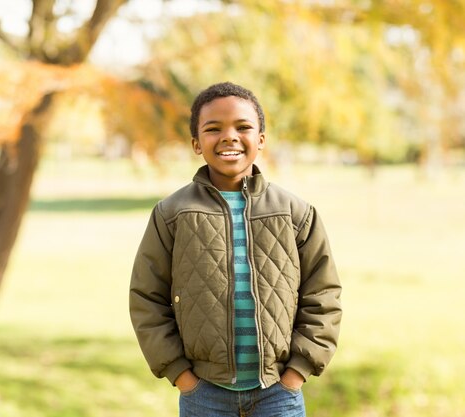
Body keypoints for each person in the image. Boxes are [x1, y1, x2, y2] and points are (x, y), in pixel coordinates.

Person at [129, 82, 342, 417]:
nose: (229, 136)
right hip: (204, 395)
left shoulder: (296, 213)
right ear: (196, 143)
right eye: (213, 129)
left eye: (243, 127)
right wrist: (182, 376)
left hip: (278, 394)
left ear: (260, 139)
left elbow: (324, 294)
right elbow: (147, 298)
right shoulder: (172, 214)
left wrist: (296, 373)